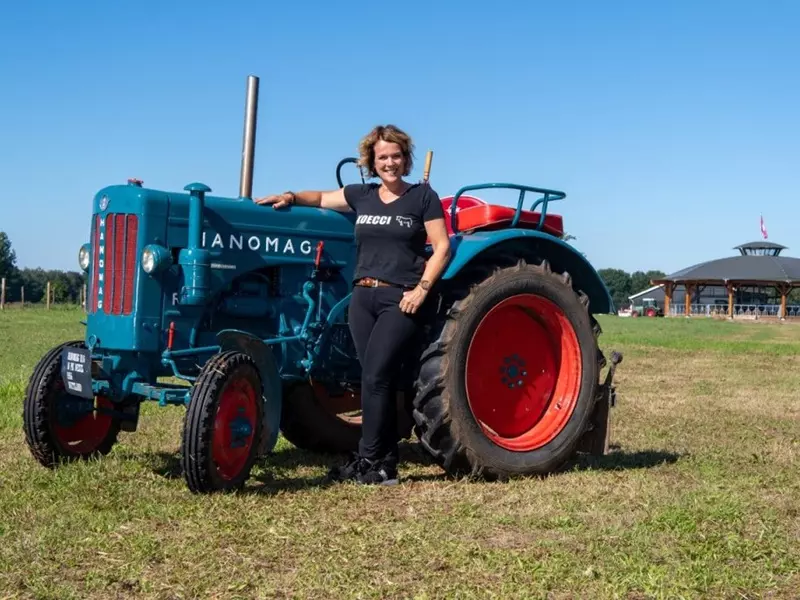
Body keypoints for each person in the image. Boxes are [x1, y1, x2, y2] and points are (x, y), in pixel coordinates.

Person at [255, 124, 451, 485]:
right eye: (382, 157)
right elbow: (320, 198)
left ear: (405, 159)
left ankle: (370, 459)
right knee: (374, 378)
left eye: (395, 156)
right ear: (371, 162)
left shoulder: (422, 197)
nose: (389, 163)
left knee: (375, 376)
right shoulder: (363, 195)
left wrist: (421, 290)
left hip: (399, 298)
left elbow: (442, 247)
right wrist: (290, 196)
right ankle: (384, 461)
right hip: (362, 297)